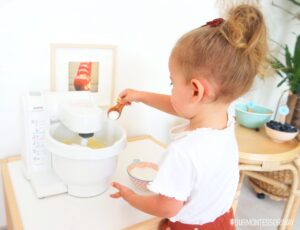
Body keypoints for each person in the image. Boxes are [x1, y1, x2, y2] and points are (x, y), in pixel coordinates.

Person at [110, 4, 268, 230]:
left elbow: (167, 208)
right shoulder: (224, 114)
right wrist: (141, 96)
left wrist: (130, 197)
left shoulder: (183, 152)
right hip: (222, 221)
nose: (172, 88)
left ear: (196, 91)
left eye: (172, 82)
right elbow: (183, 107)